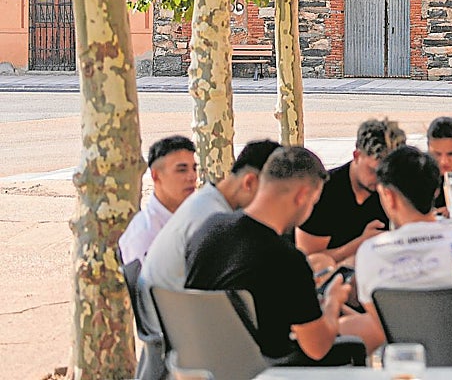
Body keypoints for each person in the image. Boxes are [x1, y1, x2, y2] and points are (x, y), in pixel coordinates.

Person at [184, 146, 363, 366]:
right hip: (268, 368)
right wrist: (333, 303)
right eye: (313, 203)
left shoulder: (208, 229)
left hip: (207, 363)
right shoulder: (286, 259)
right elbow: (317, 348)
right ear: (302, 196)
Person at [340, 146, 452, 352]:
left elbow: (384, 331)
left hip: (416, 370)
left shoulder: (372, 253)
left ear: (388, 196)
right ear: (436, 191)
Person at [142, 139, 280, 291]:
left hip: (171, 307)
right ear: (249, 182)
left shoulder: (205, 201)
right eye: (275, 197)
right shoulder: (215, 220)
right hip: (179, 309)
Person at [296, 118, 406, 262]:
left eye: (387, 174)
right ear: (357, 156)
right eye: (373, 171)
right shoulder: (324, 192)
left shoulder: (391, 187)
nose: (381, 181)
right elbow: (309, 260)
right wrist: (361, 243)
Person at [120, 135, 198, 265]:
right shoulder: (143, 234)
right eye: (182, 170)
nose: (192, 177)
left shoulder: (199, 219)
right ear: (156, 176)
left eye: (194, 168)